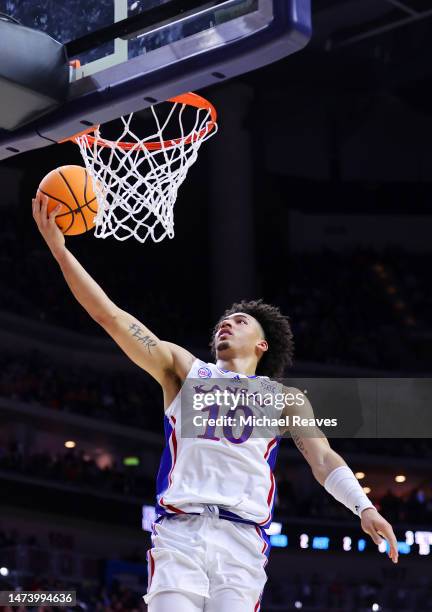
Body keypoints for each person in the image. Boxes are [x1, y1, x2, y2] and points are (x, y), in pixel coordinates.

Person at [33, 193, 399, 612]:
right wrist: (60, 251)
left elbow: (323, 458)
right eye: (223, 321)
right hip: (180, 534)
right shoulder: (185, 370)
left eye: (240, 321)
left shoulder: (284, 399)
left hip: (242, 541)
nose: (227, 323)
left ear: (262, 344)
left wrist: (364, 507)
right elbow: (111, 317)